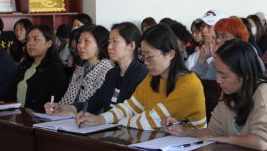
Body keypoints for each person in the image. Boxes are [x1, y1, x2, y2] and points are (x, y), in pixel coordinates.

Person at [73, 24, 207, 130]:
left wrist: (116, 121)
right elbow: (130, 107)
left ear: (170, 54)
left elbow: (154, 120)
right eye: (143, 56)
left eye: (150, 57)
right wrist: (101, 119)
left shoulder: (189, 83)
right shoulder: (152, 77)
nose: (146, 62)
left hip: (189, 147)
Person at [46, 22, 148, 115]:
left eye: (115, 41)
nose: (109, 46)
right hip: (109, 126)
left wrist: (95, 118)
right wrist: (61, 107)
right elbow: (93, 103)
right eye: (109, 41)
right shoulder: (112, 73)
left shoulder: (142, 74)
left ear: (131, 45)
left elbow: (131, 111)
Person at [2, 25, 66, 111]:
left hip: (35, 116)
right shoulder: (24, 66)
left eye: (36, 39)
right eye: (28, 39)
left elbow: (43, 103)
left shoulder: (53, 69)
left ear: (49, 43)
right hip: (15, 114)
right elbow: (9, 93)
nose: (30, 43)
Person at [193, 17, 265, 79]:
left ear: (237, 38)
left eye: (224, 36)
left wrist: (217, 57)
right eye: (217, 35)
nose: (218, 40)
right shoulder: (218, 56)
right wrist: (202, 58)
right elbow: (203, 82)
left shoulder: (248, 53)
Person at [59, 24, 113, 105]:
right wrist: (57, 107)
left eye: (86, 41)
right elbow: (66, 101)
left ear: (100, 44)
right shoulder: (79, 71)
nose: (80, 46)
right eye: (79, 41)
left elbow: (94, 106)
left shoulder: (107, 72)